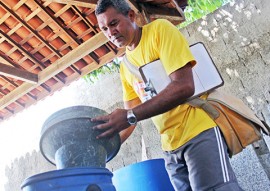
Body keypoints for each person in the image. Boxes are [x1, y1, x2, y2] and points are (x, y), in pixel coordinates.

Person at [92, 0, 243, 190]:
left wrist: (130, 116)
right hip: (170, 149)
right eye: (104, 28)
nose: (110, 33)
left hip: (197, 131)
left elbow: (184, 86)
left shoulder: (159, 31)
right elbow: (129, 120)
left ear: (131, 16)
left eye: (113, 23)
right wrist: (101, 152)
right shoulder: (125, 66)